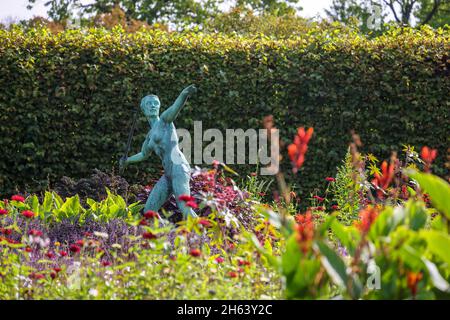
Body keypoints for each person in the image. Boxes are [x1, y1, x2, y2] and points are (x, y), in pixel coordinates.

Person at [120, 85, 198, 219]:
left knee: (184, 207)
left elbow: (175, 108)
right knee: (149, 210)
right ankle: (163, 235)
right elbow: (144, 155)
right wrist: (127, 161)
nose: (152, 106)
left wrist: (184, 93)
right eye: (148, 104)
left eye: (155, 104)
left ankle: (203, 237)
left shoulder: (164, 121)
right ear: (143, 109)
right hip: (168, 174)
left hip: (179, 168)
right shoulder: (149, 137)